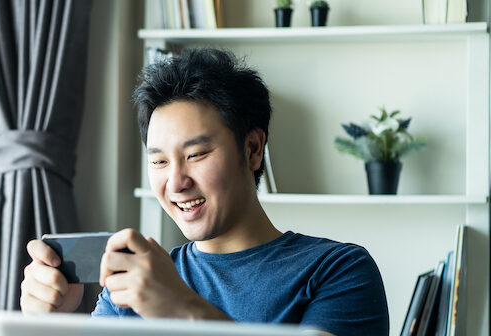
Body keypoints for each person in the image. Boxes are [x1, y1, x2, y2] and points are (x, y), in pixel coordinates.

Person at [19, 48, 390, 336]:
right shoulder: (136, 280)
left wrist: (181, 310)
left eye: (195, 155)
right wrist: (51, 326)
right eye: (159, 161)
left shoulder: (338, 270)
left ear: (253, 149)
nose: (176, 182)